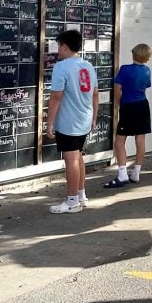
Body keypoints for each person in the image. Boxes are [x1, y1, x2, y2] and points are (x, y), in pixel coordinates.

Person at [45, 29, 99, 214]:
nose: (57, 49)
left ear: (65, 47)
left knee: (71, 160)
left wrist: (49, 122)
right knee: (78, 157)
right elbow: (95, 94)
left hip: (69, 122)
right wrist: (94, 117)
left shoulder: (61, 67)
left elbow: (56, 97)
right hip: (84, 119)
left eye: (59, 45)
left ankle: (72, 201)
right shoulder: (88, 66)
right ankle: (81, 195)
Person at [105, 43, 152, 188]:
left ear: (134, 54)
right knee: (140, 139)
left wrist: (119, 105)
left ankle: (122, 174)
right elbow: (145, 86)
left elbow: (117, 89)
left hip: (128, 105)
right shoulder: (147, 70)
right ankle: (136, 172)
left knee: (119, 141)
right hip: (143, 105)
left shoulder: (125, 69)